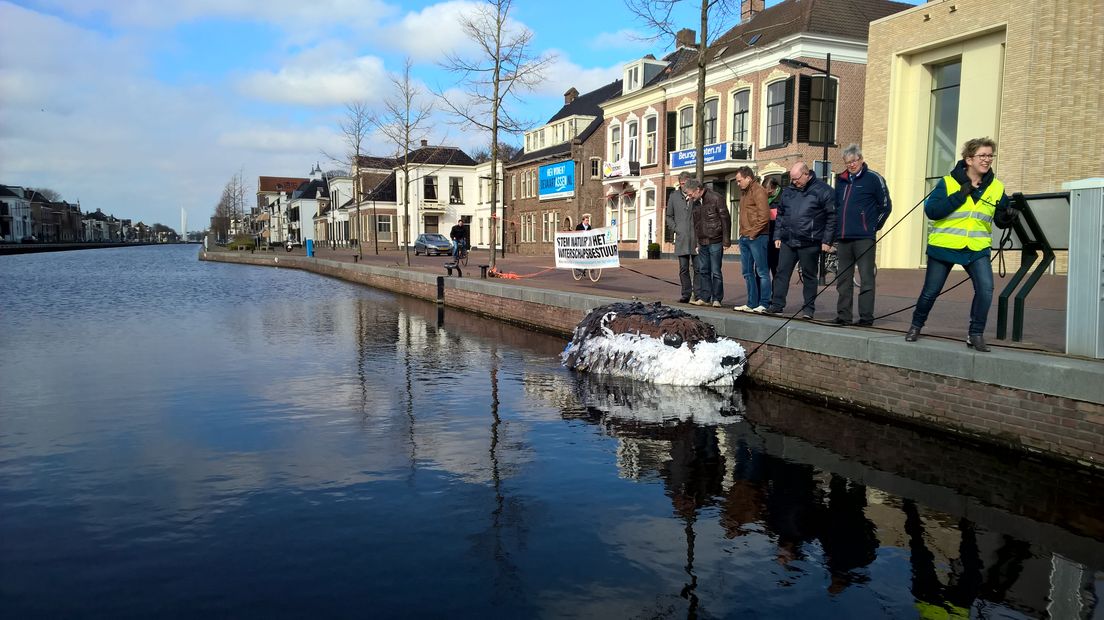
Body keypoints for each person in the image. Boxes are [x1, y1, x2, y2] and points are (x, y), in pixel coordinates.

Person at [905, 137, 1016, 352]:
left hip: (976, 248)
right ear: (968, 159)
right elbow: (932, 212)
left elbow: (1000, 220)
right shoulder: (948, 182)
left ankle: (975, 334)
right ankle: (916, 325)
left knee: (986, 289)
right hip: (944, 246)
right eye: (982, 155)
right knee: (931, 291)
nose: (987, 159)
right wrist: (961, 193)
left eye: (990, 155)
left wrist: (1009, 216)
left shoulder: (996, 187)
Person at [767, 162, 836, 319]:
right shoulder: (789, 190)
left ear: (806, 174)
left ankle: (808, 309)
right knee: (781, 273)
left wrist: (827, 240)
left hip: (810, 241)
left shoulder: (823, 190)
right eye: (792, 179)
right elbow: (781, 214)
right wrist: (777, 235)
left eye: (796, 178)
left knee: (809, 276)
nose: (794, 182)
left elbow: (832, 216)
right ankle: (777, 305)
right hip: (788, 240)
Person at [833, 144, 892, 326]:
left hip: (864, 237)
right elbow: (837, 207)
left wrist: (872, 227)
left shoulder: (874, 178)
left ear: (861, 159)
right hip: (843, 237)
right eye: (848, 162)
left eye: (854, 161)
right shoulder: (841, 180)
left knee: (866, 278)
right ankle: (844, 316)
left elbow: (886, 206)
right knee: (843, 279)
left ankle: (866, 317)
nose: (851, 165)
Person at [732, 166, 771, 313]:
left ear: (748, 178)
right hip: (745, 237)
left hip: (758, 237)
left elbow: (764, 217)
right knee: (747, 272)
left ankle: (764, 303)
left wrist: (753, 234)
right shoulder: (744, 192)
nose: (738, 183)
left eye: (739, 180)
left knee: (762, 271)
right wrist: (743, 235)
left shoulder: (759, 191)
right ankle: (751, 303)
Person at [688, 179, 731, 308]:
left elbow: (725, 218)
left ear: (698, 190)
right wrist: (696, 243)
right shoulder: (695, 203)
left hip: (715, 240)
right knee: (703, 270)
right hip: (702, 241)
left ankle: (717, 298)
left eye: (691, 194)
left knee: (716, 270)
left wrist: (726, 240)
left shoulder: (716, 198)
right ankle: (705, 298)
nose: (689, 197)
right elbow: (695, 224)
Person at [664, 172, 697, 303]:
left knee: (698, 268)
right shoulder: (673, 196)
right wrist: (676, 228)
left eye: (686, 183)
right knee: (683, 268)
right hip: (681, 238)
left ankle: (699, 294)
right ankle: (686, 294)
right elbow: (668, 216)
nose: (684, 186)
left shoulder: (695, 195)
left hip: (695, 237)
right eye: (682, 184)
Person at [764, 176, 782, 279]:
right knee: (762, 269)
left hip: (777, 239)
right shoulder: (764, 198)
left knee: (776, 269)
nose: (766, 194)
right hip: (765, 237)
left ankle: (776, 294)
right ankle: (763, 294)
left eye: (769, 192)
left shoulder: (782, 198)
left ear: (774, 188)